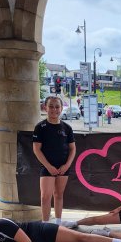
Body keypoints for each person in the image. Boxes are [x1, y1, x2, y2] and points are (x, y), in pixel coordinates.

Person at [33, 96, 76, 227]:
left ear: (61, 108)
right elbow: (36, 149)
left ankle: (58, 223)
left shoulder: (67, 128)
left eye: (57, 106)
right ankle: (45, 225)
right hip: (47, 168)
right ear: (45, 107)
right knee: (45, 197)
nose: (54, 109)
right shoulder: (40, 127)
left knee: (58, 194)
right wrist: (49, 166)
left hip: (63, 167)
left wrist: (67, 165)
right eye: (51, 106)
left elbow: (72, 149)